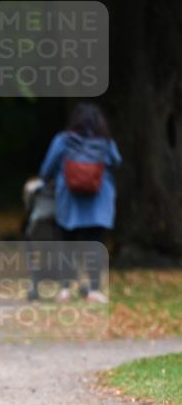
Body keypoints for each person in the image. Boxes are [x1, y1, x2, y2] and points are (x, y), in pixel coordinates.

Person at [39, 102, 122, 302]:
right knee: (94, 244)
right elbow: (117, 161)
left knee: (66, 243)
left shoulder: (63, 140)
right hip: (98, 202)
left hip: (69, 201)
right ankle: (94, 289)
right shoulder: (105, 142)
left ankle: (65, 289)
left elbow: (46, 169)